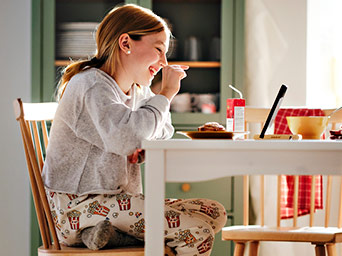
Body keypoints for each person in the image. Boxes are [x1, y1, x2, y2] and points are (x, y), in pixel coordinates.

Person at [42, 4, 227, 255]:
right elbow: (130, 137)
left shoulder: (136, 89)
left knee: (214, 212)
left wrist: (142, 141)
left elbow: (163, 131)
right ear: (126, 43)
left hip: (113, 203)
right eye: (159, 50)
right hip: (78, 206)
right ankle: (97, 232)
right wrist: (166, 94)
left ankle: (110, 235)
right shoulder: (92, 85)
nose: (164, 62)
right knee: (198, 232)